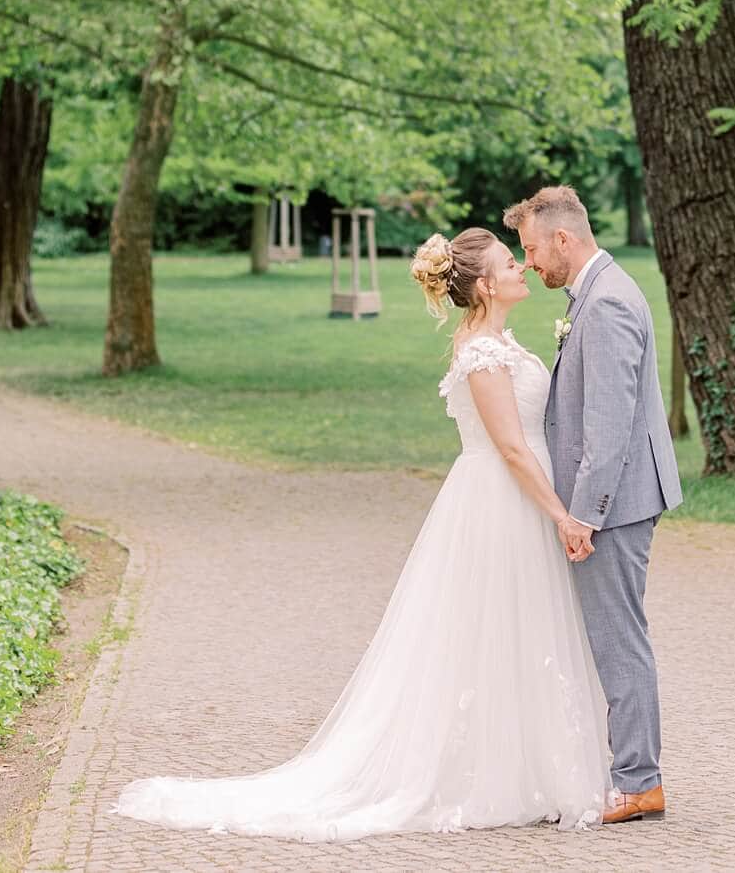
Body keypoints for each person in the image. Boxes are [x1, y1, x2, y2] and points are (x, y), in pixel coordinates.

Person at [112, 228, 608, 844]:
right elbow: (509, 447)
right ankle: (492, 773)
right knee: (493, 630)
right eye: (512, 263)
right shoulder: (481, 351)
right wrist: (562, 514)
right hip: (503, 503)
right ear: (484, 285)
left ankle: (521, 765)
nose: (522, 269)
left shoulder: (497, 341)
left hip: (518, 500)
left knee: (513, 631)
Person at [504, 184, 683, 826]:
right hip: (623, 496)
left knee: (619, 640)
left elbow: (608, 429)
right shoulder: (599, 293)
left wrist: (584, 515)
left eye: (530, 250)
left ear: (563, 239)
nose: (528, 264)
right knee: (616, 636)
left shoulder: (605, 304)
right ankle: (636, 775)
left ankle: (639, 782)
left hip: (618, 503)